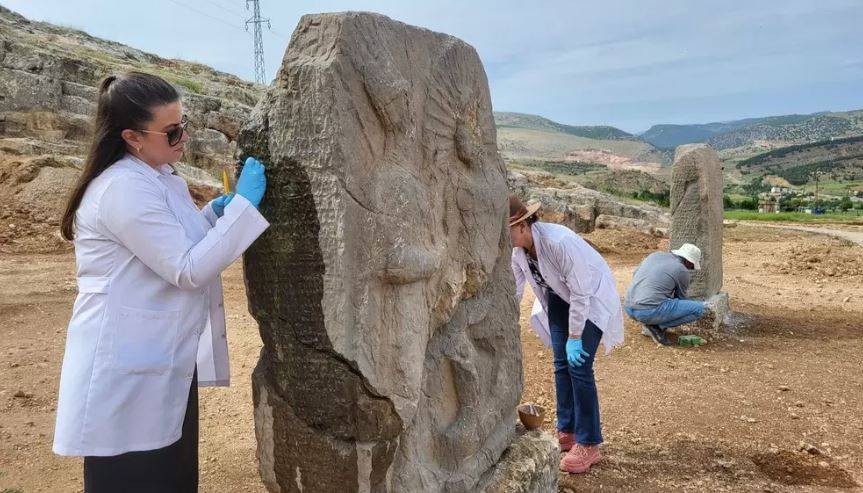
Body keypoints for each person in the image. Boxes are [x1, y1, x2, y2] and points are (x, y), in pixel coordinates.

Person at [52, 71, 270, 492]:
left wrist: (213, 216)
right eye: (172, 132)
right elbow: (186, 269)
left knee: (170, 474)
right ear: (133, 136)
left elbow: (169, 245)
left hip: (158, 357)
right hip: (126, 367)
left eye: (183, 125)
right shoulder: (121, 188)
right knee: (135, 478)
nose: (183, 137)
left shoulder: (159, 177)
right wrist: (243, 206)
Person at [509, 195, 624, 474]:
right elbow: (514, 289)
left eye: (506, 230)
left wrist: (575, 337)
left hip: (588, 297)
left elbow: (582, 293)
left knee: (579, 365)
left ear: (523, 226)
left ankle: (589, 442)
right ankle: (568, 429)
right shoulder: (518, 252)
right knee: (561, 364)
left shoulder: (558, 243)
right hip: (559, 298)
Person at [624, 243, 706, 345]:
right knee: (698, 309)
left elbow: (635, 274)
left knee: (663, 300)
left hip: (629, 307)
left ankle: (651, 323)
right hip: (645, 311)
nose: (691, 269)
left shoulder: (655, 255)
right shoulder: (681, 270)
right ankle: (656, 327)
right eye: (692, 266)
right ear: (688, 261)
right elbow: (681, 298)